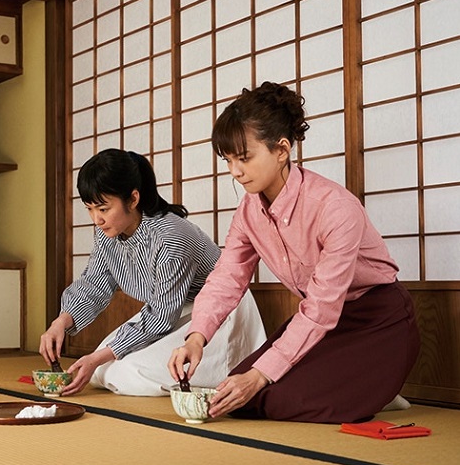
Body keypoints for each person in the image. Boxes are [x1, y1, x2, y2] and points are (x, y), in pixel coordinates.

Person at [168, 82, 419, 423]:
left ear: (282, 149)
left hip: (378, 319)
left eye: (244, 158)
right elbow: (227, 278)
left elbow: (320, 309)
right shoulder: (248, 212)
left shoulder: (335, 207)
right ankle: (359, 391)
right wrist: (196, 339)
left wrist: (259, 375)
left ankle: (376, 391)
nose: (235, 171)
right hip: (321, 322)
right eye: (228, 160)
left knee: (271, 393)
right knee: (236, 396)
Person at [40, 149, 265, 397]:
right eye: (90, 209)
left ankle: (229, 366)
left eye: (103, 209)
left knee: (125, 372)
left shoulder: (171, 239)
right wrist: (60, 322)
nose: (97, 219)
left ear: (133, 199)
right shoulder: (108, 235)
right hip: (174, 312)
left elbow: (161, 315)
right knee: (99, 369)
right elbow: (94, 285)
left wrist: (99, 356)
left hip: (220, 313)